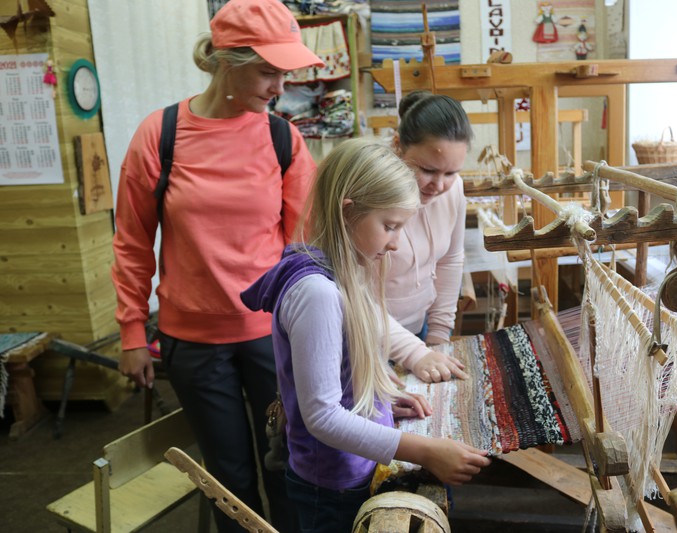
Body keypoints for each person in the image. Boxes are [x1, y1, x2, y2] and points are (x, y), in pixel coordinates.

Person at [110, 1, 323, 531]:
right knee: (228, 479)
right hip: (194, 345)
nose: (279, 87)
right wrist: (132, 331)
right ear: (228, 60)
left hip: (275, 338)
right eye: (268, 71)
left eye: (285, 73)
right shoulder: (160, 134)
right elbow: (132, 241)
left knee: (290, 465)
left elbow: (305, 248)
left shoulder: (283, 139)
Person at [240, 138, 491, 533]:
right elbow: (322, 416)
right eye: (389, 226)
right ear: (348, 211)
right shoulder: (317, 293)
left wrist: (378, 402)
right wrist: (425, 451)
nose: (395, 242)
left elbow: (340, 376)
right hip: (331, 486)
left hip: (347, 470)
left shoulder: (342, 273)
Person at [385, 91, 473, 383]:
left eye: (450, 173)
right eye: (427, 170)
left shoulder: (453, 189)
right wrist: (414, 353)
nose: (439, 185)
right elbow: (351, 292)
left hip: (418, 331)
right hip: (363, 339)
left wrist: (438, 335)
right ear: (397, 146)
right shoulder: (369, 193)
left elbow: (450, 260)